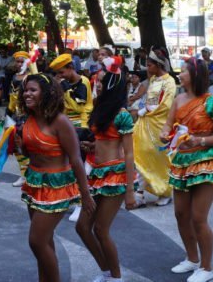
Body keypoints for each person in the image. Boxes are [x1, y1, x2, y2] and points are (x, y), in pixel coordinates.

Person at [14, 73, 94, 282]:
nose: (27, 93)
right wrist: (19, 146)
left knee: (36, 241)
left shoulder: (60, 121)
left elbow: (76, 159)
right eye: (26, 90)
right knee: (45, 241)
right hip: (35, 182)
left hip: (56, 185)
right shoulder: (29, 119)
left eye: (33, 90)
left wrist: (85, 195)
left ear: (46, 94)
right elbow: (31, 154)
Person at [160, 58, 213, 282]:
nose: (180, 75)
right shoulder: (178, 98)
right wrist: (164, 133)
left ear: (196, 75)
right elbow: (168, 125)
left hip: (207, 163)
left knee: (199, 217)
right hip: (182, 162)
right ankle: (191, 258)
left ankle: (207, 267)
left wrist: (199, 141)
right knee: (181, 214)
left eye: (184, 72)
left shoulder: (212, 102)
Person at [75, 65, 137, 282]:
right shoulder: (101, 108)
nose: (97, 84)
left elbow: (129, 154)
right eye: (97, 80)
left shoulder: (122, 115)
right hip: (96, 174)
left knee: (101, 229)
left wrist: (130, 191)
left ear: (112, 85)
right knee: (82, 227)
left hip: (115, 175)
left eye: (101, 81)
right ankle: (106, 270)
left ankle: (116, 277)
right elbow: (103, 141)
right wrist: (91, 147)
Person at [132, 47, 177, 207]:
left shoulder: (169, 81)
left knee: (159, 159)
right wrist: (144, 110)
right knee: (141, 155)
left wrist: (144, 111)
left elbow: (166, 106)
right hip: (145, 123)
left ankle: (165, 190)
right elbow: (150, 101)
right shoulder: (153, 80)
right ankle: (140, 193)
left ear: (158, 65)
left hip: (160, 125)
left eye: (150, 65)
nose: (147, 68)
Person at [7, 51, 34, 187]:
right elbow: (12, 98)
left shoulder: (32, 77)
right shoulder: (14, 77)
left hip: (29, 116)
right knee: (17, 147)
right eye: (17, 61)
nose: (19, 64)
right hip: (16, 116)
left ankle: (32, 175)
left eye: (22, 61)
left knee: (29, 146)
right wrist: (8, 114)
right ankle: (23, 175)